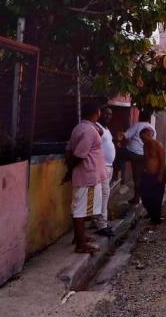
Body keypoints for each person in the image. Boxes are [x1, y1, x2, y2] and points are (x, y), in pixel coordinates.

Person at [65, 100, 107, 254]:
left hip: (84, 174)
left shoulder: (81, 128)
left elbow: (69, 149)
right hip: (88, 175)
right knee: (81, 210)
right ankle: (80, 244)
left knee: (79, 207)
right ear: (96, 112)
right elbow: (79, 154)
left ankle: (79, 238)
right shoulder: (88, 131)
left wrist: (70, 170)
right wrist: (70, 170)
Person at [124, 110, 155, 205]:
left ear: (140, 116)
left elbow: (126, 135)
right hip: (145, 155)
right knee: (141, 177)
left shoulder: (137, 125)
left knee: (137, 177)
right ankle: (139, 197)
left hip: (134, 154)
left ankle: (137, 198)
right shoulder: (152, 128)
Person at [93, 106, 116, 237]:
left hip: (108, 166)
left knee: (102, 194)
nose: (108, 116)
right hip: (101, 166)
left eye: (110, 114)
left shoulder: (106, 129)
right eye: (106, 114)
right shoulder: (96, 127)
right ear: (100, 114)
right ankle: (102, 224)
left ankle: (97, 220)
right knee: (104, 194)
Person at [139, 127, 166, 228]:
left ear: (149, 135)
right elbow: (145, 160)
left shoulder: (158, 145)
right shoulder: (145, 146)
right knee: (144, 196)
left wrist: (160, 175)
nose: (143, 140)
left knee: (157, 198)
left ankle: (156, 219)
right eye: (141, 139)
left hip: (158, 175)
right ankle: (151, 213)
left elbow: (163, 162)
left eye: (144, 138)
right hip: (148, 175)